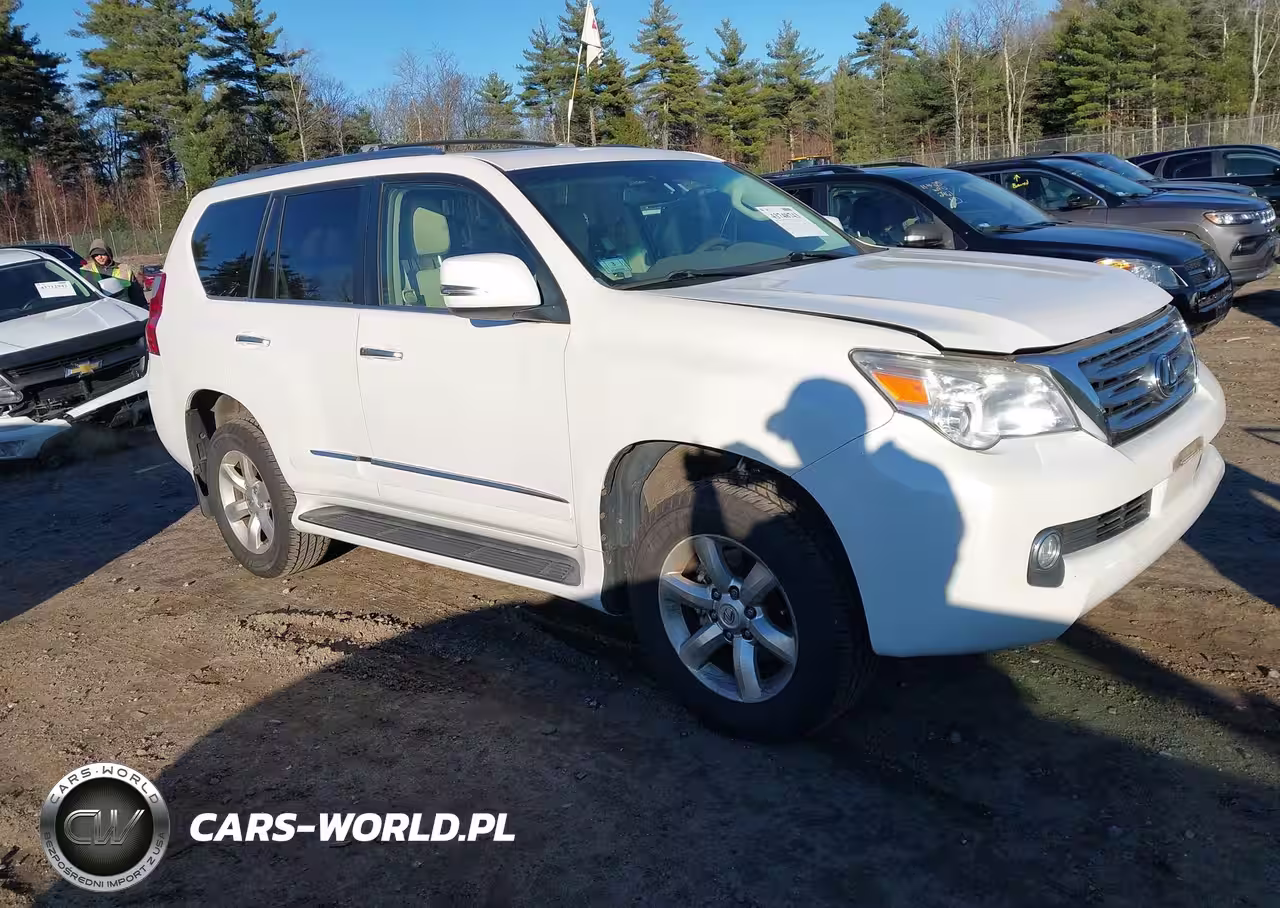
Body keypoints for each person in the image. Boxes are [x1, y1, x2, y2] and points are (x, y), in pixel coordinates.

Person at [82, 237, 148, 309]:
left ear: (109, 254)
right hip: (100, 310)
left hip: (125, 308)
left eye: (103, 254)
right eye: (96, 255)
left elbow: (136, 293)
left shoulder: (124, 269)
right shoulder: (86, 270)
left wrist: (143, 308)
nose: (100, 257)